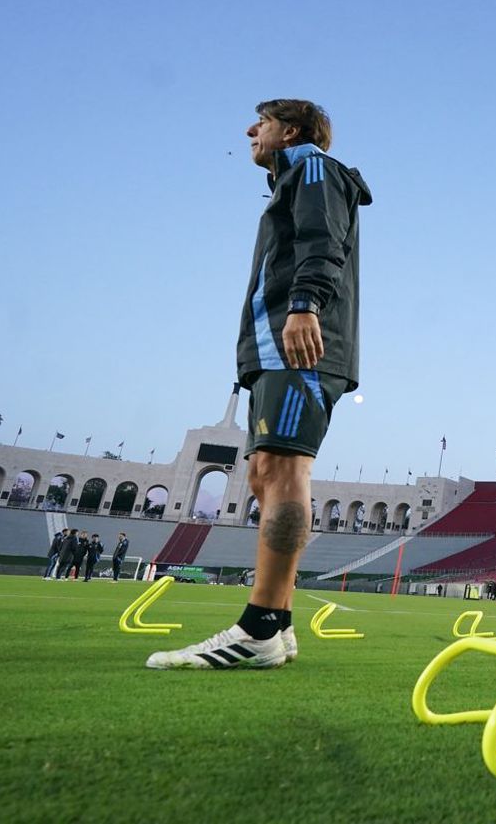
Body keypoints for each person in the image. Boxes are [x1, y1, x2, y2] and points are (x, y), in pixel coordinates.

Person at [148, 99, 371, 670]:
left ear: (290, 131)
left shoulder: (315, 166)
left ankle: (259, 628)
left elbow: (325, 240)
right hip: (275, 345)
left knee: (283, 470)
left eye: (262, 122)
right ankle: (282, 622)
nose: (250, 131)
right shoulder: (292, 178)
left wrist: (304, 306)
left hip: (298, 339)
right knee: (263, 472)